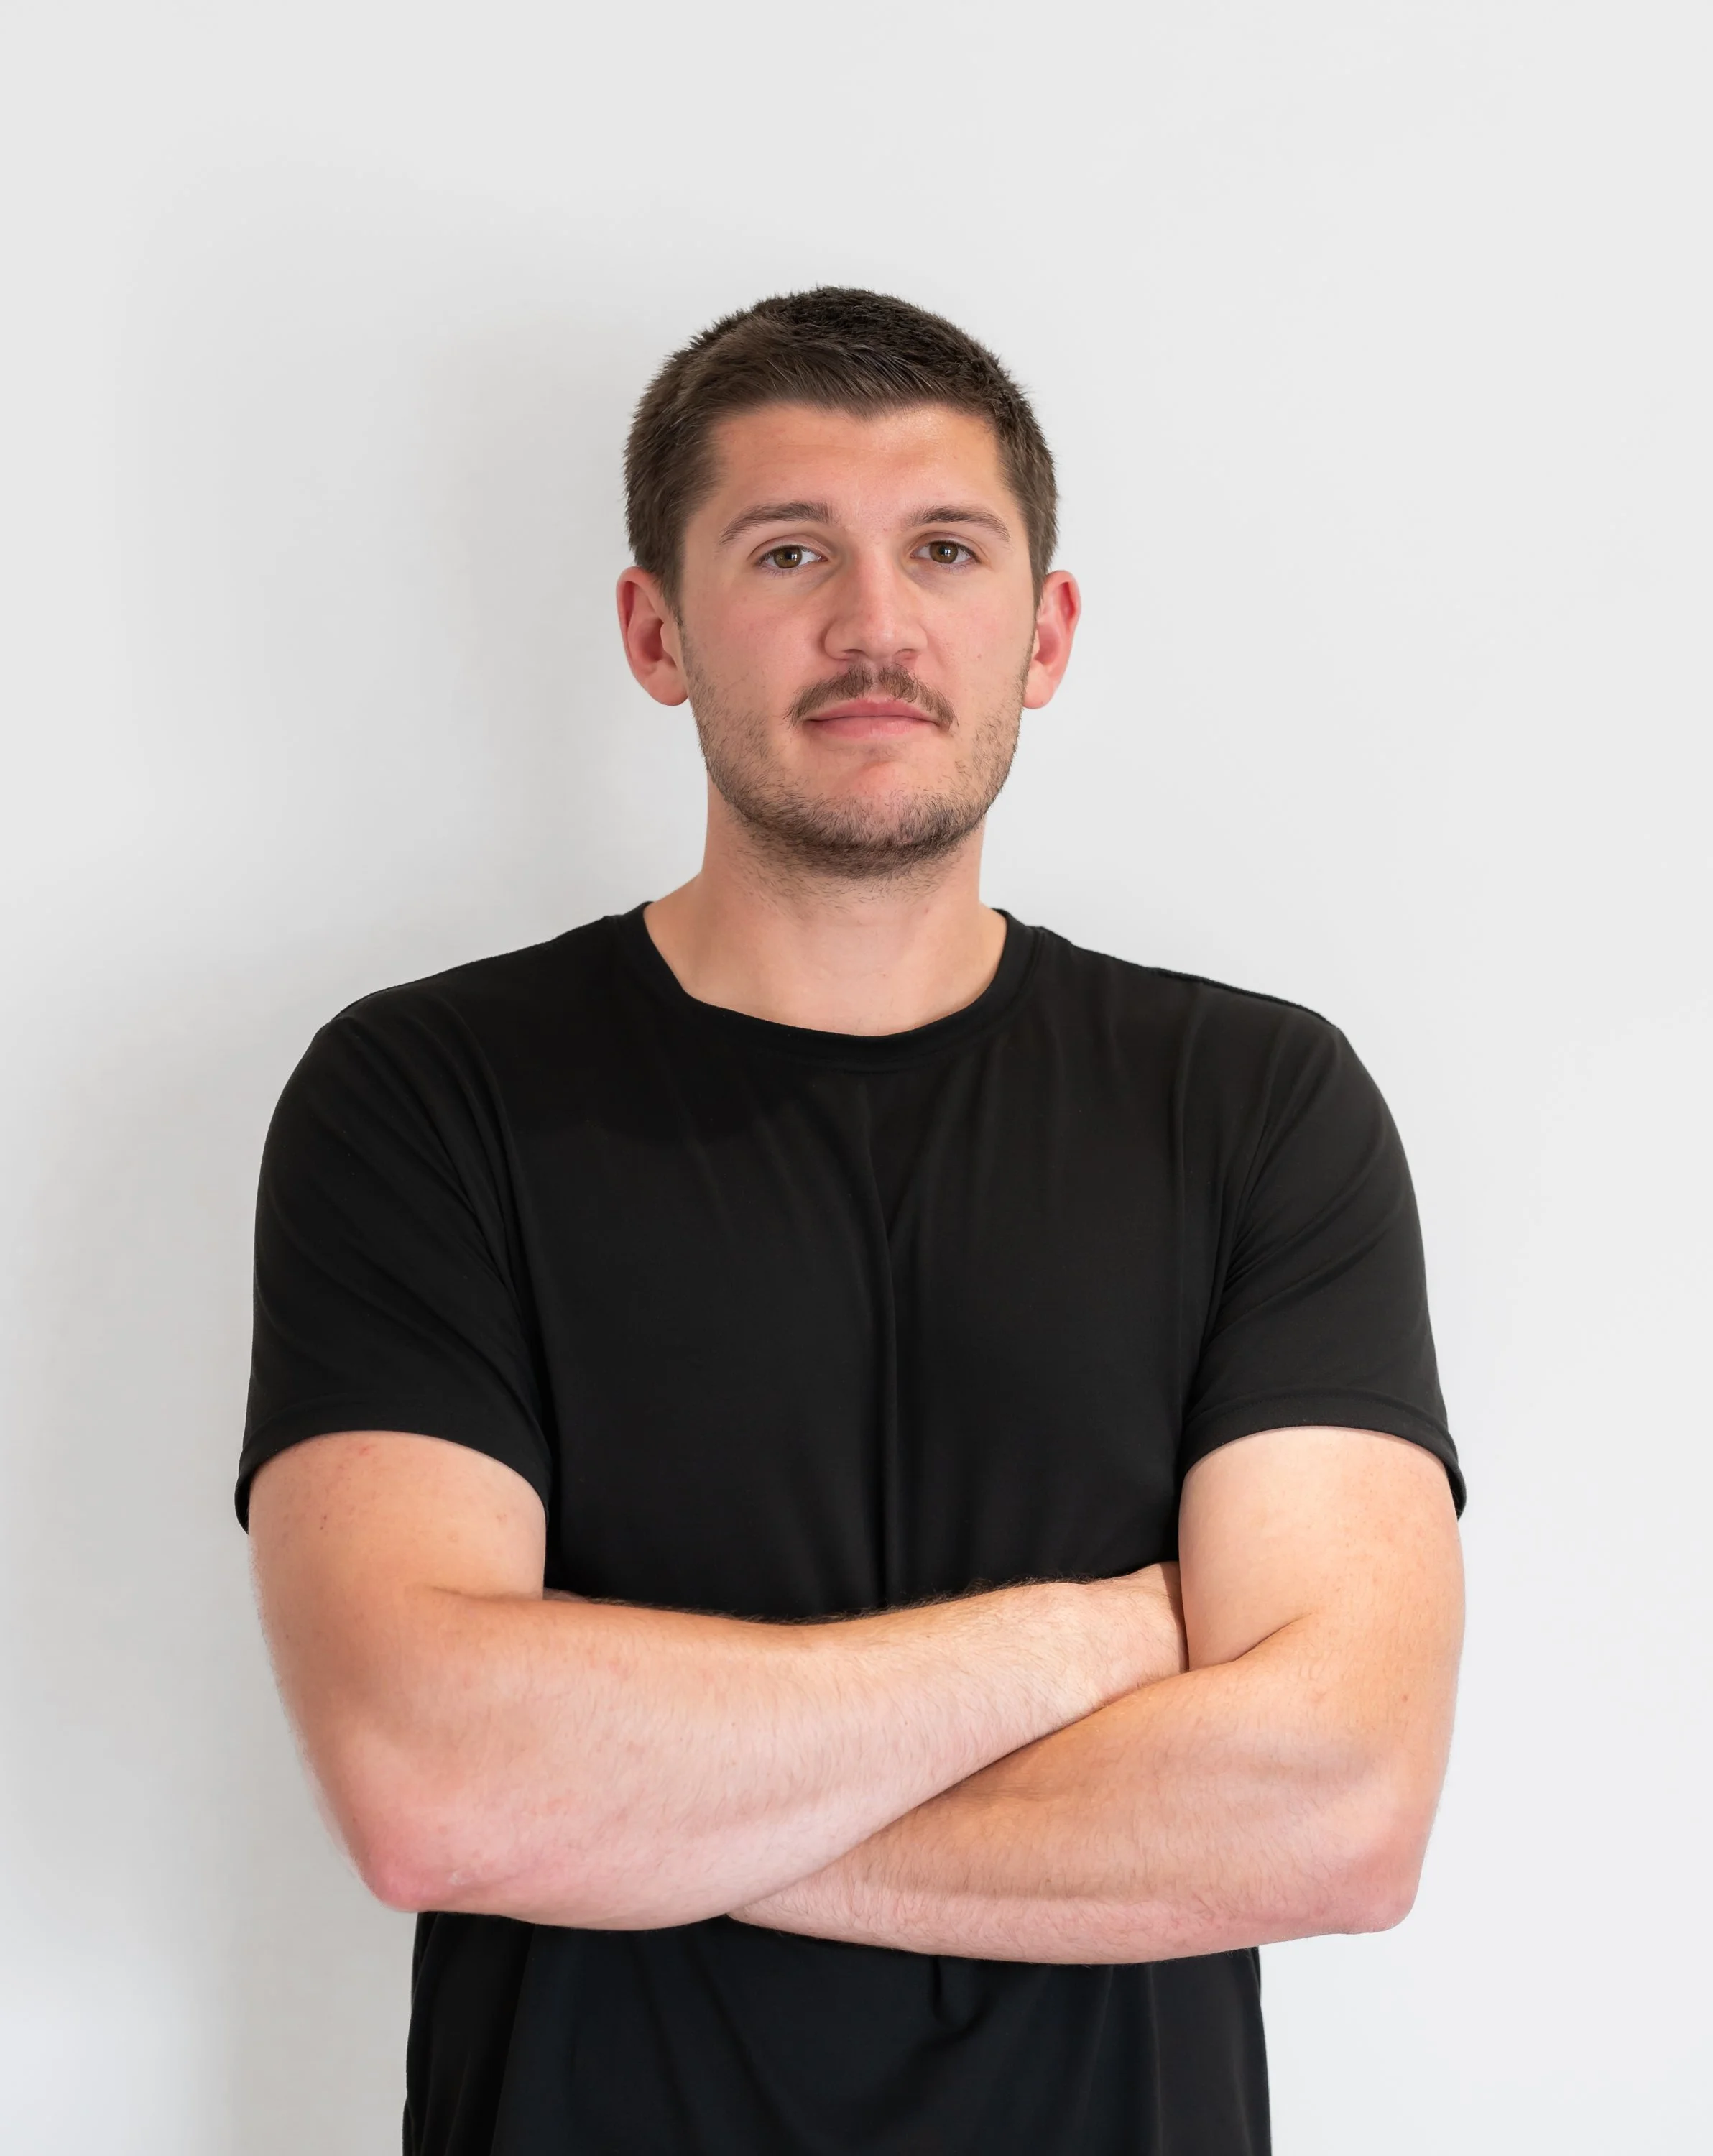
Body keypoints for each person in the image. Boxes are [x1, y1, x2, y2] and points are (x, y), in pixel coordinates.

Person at [239, 286, 1465, 2156]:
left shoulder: (1255, 1104)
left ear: (1045, 633)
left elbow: (1341, 1811)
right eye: (790, 549)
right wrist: (1093, 1644)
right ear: (656, 630)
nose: (875, 625)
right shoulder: (426, 1099)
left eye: (946, 550)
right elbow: (435, 1782)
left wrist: (638, 1820)